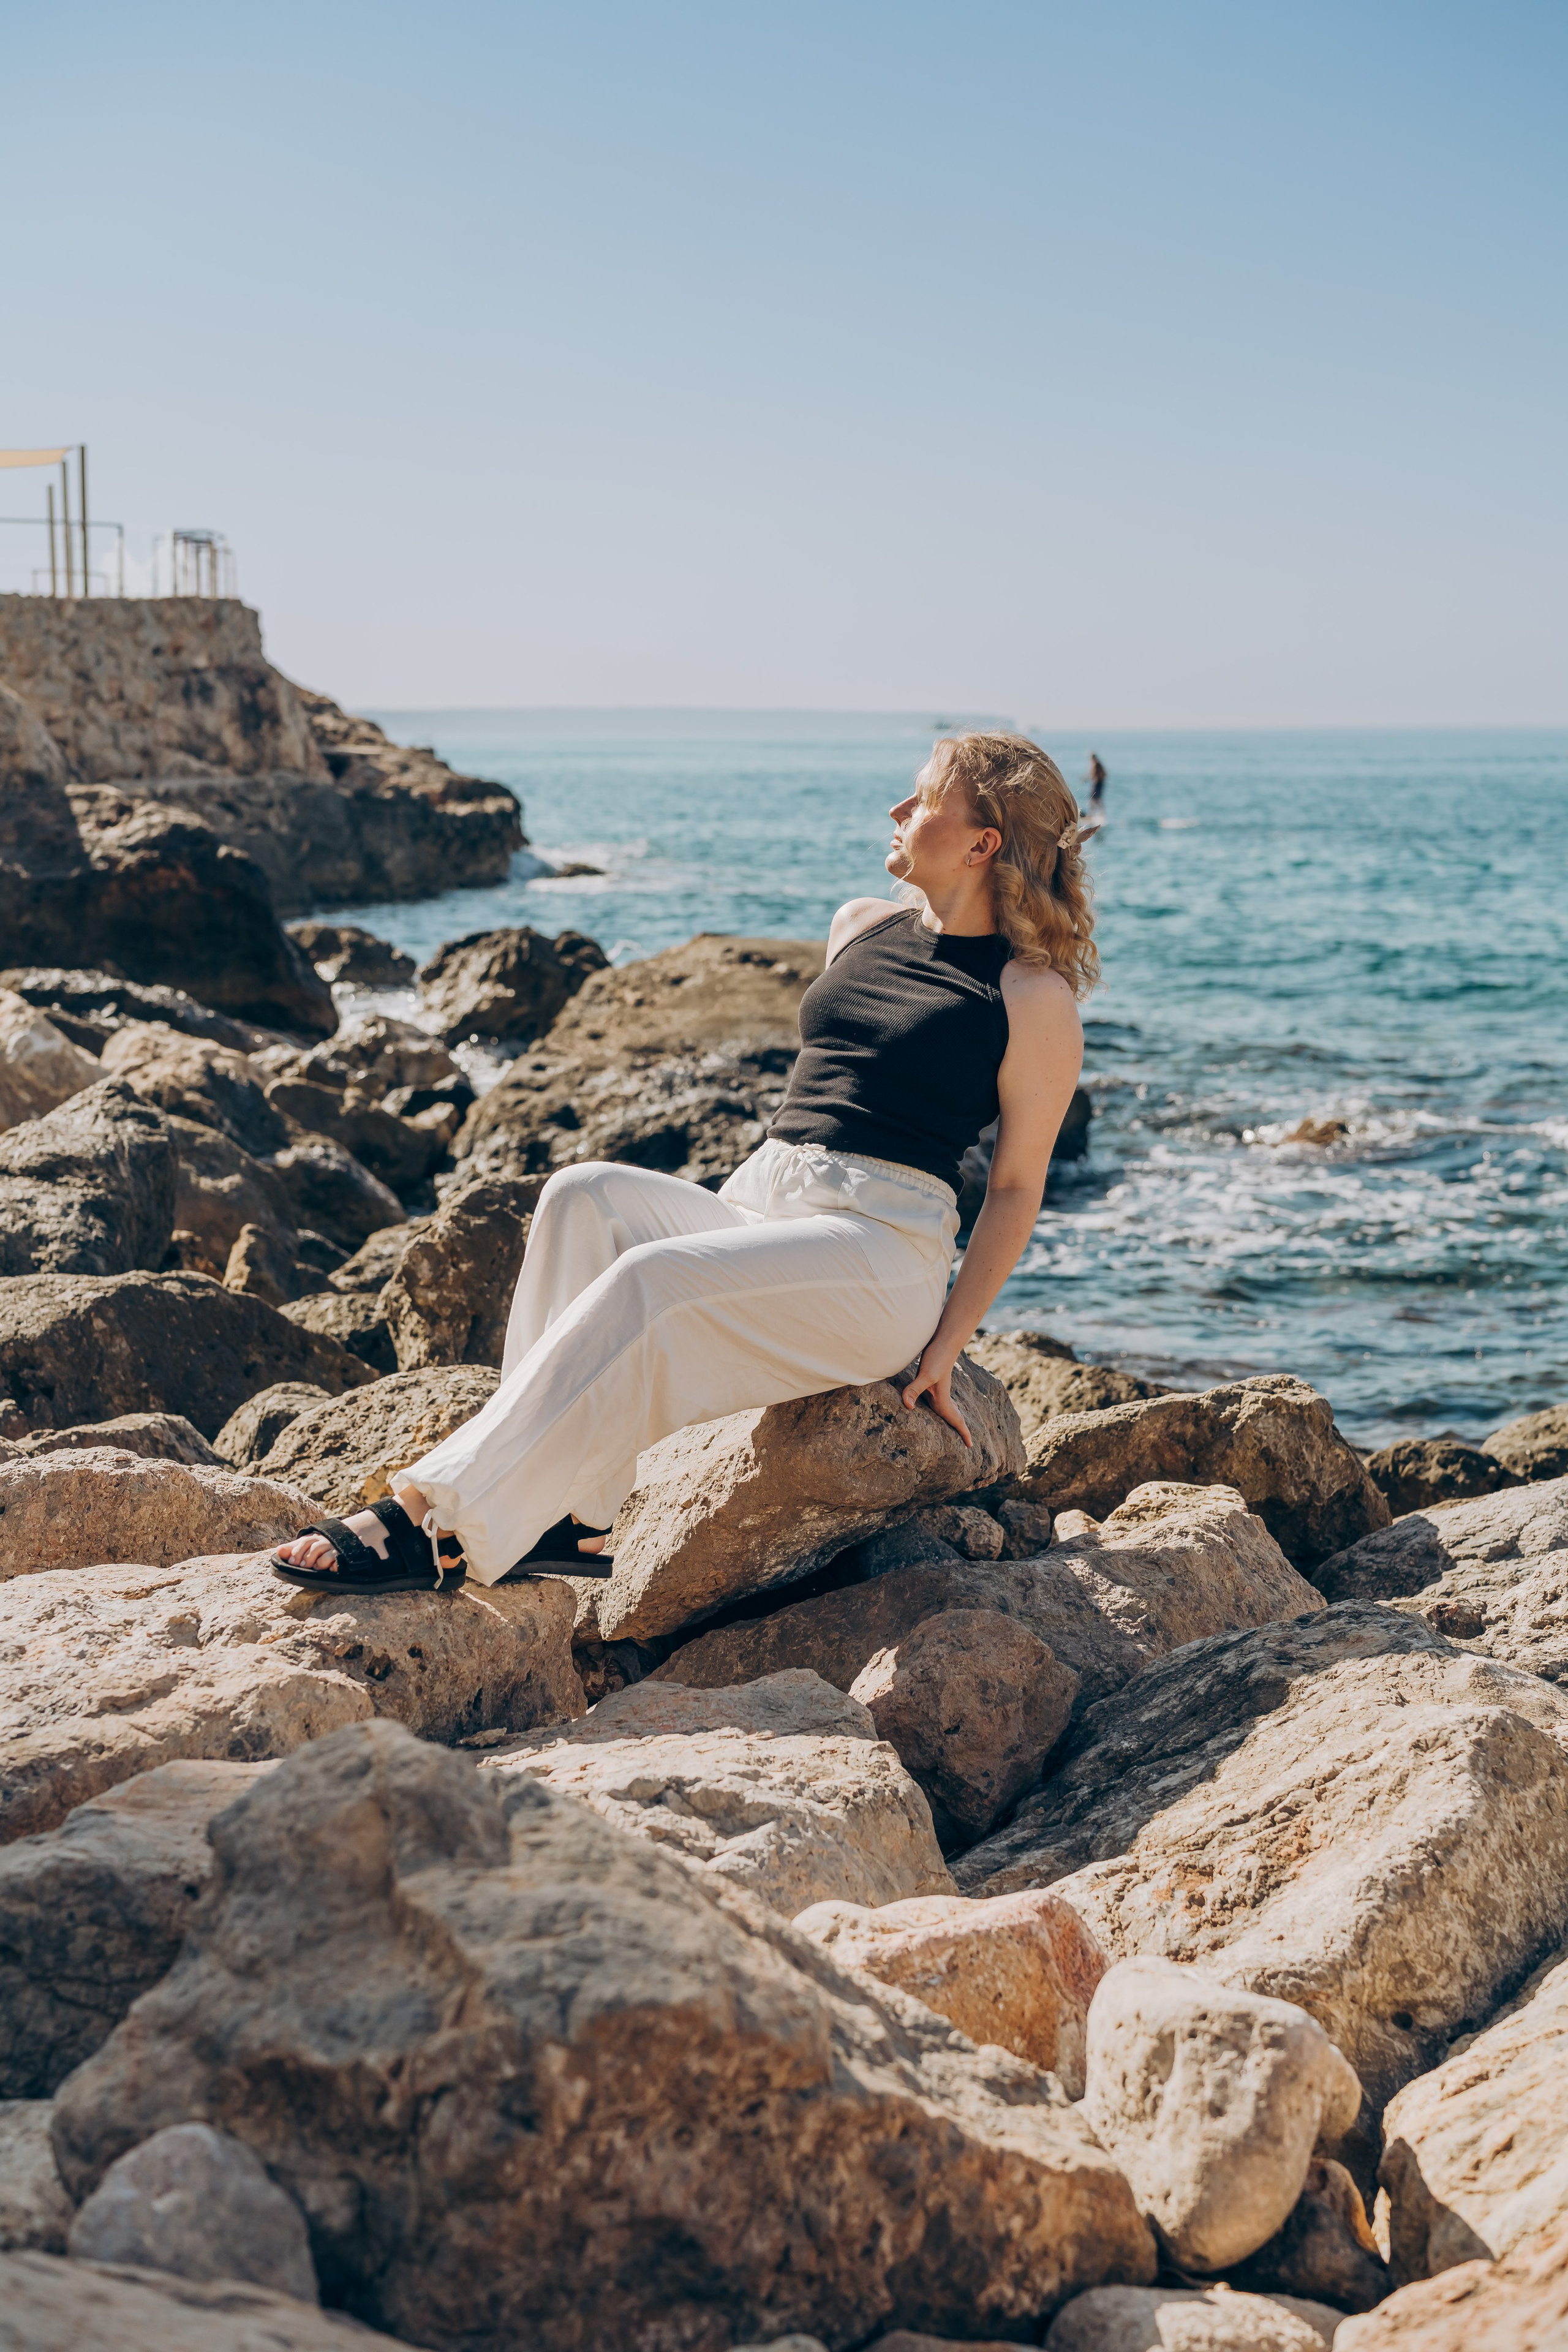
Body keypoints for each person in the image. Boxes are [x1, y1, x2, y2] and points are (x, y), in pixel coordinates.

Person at [272, 732, 1097, 1594]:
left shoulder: (1030, 996)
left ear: (981, 843)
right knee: (581, 1197)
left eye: (924, 799)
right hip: (763, 1197)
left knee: (652, 1282)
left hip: (877, 1250)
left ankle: (432, 1518)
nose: (898, 810)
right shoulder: (864, 924)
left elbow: (1014, 1186)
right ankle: (572, 1519)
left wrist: (947, 1346)